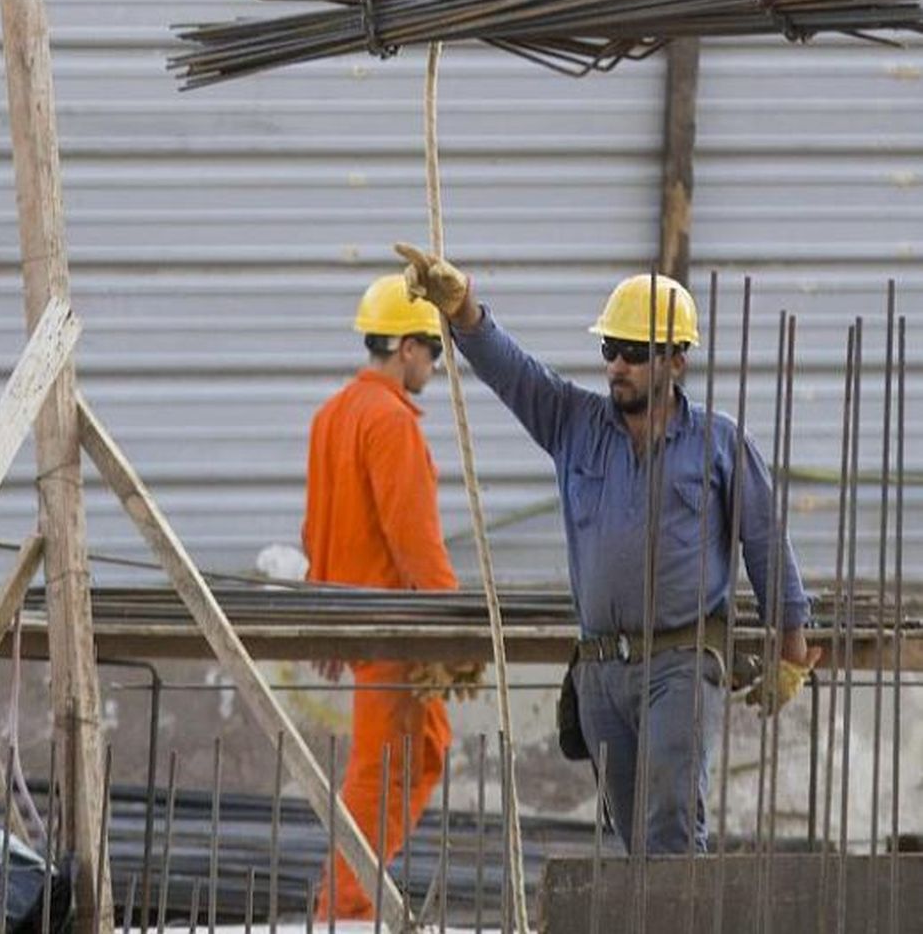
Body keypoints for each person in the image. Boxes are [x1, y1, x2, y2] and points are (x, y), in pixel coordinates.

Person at [394, 242, 821, 854]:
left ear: (675, 362)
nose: (617, 366)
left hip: (681, 660)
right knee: (633, 837)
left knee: (671, 829)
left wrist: (791, 648)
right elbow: (512, 370)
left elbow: (766, 543)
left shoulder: (719, 445)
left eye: (635, 353)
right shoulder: (573, 425)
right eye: (609, 350)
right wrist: (461, 306)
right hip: (601, 673)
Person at [305, 273, 474, 919]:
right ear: (406, 346)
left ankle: (342, 907)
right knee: (395, 772)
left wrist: (323, 615)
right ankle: (345, 913)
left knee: (384, 771)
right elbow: (414, 537)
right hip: (397, 631)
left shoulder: (334, 414)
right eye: (432, 349)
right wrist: (454, 631)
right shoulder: (391, 422)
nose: (434, 363)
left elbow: (316, 521)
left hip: (356, 623)